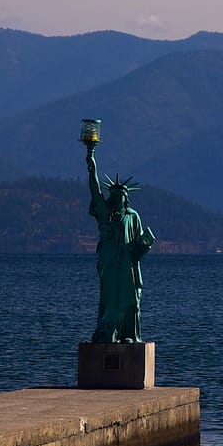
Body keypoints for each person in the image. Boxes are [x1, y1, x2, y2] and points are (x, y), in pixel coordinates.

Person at [86, 141, 155, 342]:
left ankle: (129, 335)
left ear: (126, 198)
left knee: (129, 300)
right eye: (114, 194)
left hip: (126, 264)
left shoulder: (132, 217)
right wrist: (91, 159)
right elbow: (94, 186)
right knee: (109, 300)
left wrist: (143, 245)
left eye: (120, 195)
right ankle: (107, 333)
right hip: (108, 262)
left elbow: (138, 244)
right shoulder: (104, 213)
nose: (117, 198)